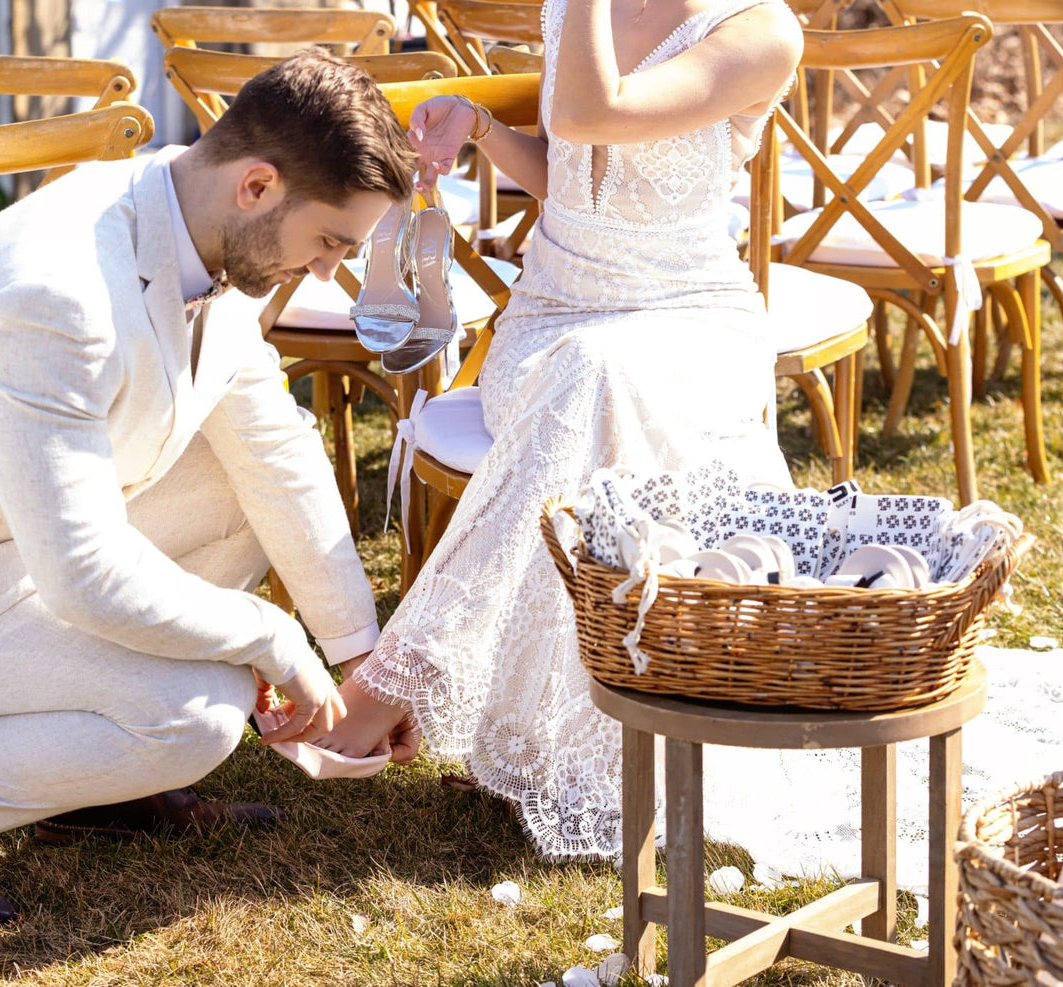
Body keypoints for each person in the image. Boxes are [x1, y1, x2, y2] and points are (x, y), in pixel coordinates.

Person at [0, 50, 418, 926]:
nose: (330, 270)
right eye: (332, 241)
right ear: (257, 186)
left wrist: (355, 656)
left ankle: (104, 785)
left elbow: (276, 453)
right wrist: (267, 635)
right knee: (194, 714)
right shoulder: (51, 290)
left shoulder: (202, 219)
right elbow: (82, 574)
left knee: (244, 474)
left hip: (9, 540)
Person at [315, 0, 804, 857]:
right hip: (548, 319)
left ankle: (398, 680)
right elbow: (571, 168)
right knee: (590, 374)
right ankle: (482, 706)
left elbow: (590, 112)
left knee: (602, 379)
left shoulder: (760, 30)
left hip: (688, 321)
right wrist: (480, 129)